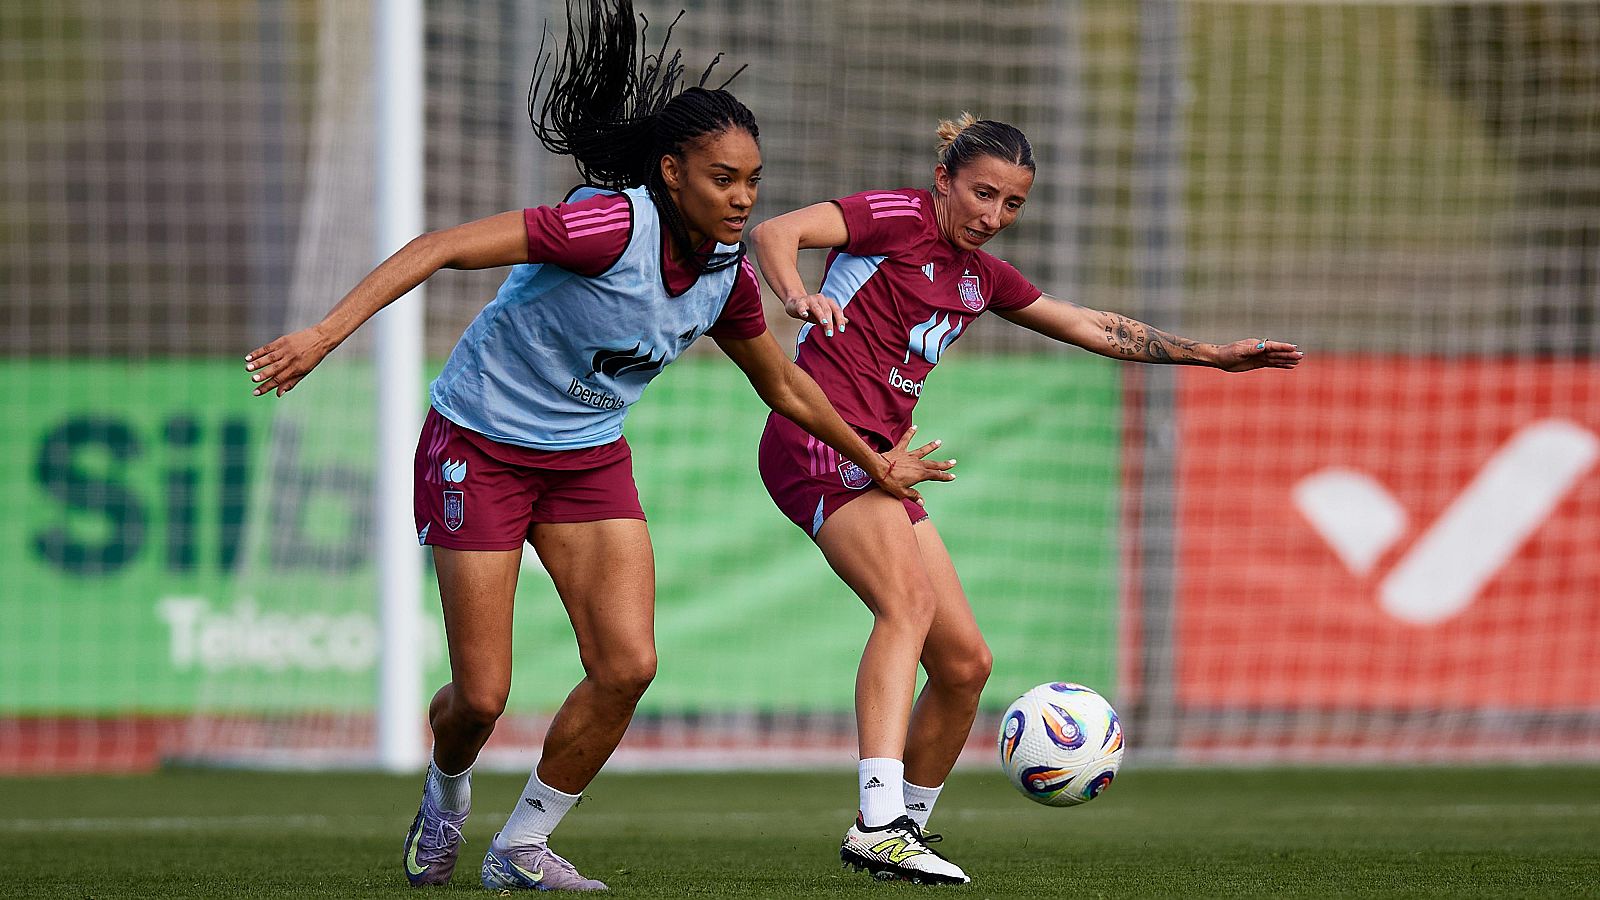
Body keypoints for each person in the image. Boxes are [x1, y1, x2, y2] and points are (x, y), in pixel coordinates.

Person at [242, 1, 953, 891]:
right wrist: (321, 335)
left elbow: (782, 384)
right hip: (480, 446)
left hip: (586, 461)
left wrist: (872, 458)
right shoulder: (608, 228)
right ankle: (447, 788)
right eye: (723, 178)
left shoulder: (728, 277)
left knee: (628, 665)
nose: (741, 198)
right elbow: (438, 247)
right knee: (482, 699)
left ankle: (521, 848)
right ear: (672, 172)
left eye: (753, 182)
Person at [747, 113, 1304, 885]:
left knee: (966, 664)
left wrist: (1209, 356)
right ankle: (876, 821)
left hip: (887, 463)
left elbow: (1086, 323)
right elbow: (777, 230)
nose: (992, 216)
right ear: (944, 179)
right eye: (981, 194)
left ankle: (903, 827)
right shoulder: (897, 217)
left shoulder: (982, 278)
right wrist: (797, 295)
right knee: (905, 609)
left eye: (1011, 204)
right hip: (817, 439)